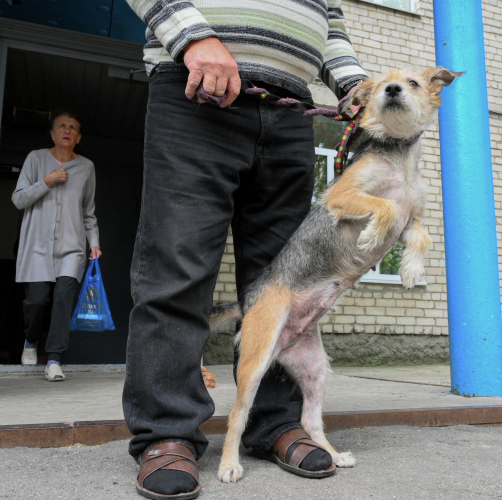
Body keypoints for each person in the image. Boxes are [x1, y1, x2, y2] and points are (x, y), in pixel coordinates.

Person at [123, 1, 368, 498]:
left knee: (283, 287)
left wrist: (353, 86)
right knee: (178, 268)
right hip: (195, 90)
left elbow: (332, 24)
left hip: (291, 110)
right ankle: (168, 432)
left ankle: (274, 422)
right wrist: (192, 37)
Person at [12, 111, 101, 382]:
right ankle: (31, 340)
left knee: (63, 301)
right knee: (36, 302)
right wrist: (47, 181)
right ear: (52, 133)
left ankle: (53, 359)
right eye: (61, 126)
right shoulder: (35, 159)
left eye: (72, 127)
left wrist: (94, 242)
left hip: (72, 247)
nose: (67, 130)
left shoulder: (86, 167)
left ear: (78, 137)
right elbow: (18, 199)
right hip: (37, 245)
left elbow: (88, 211)